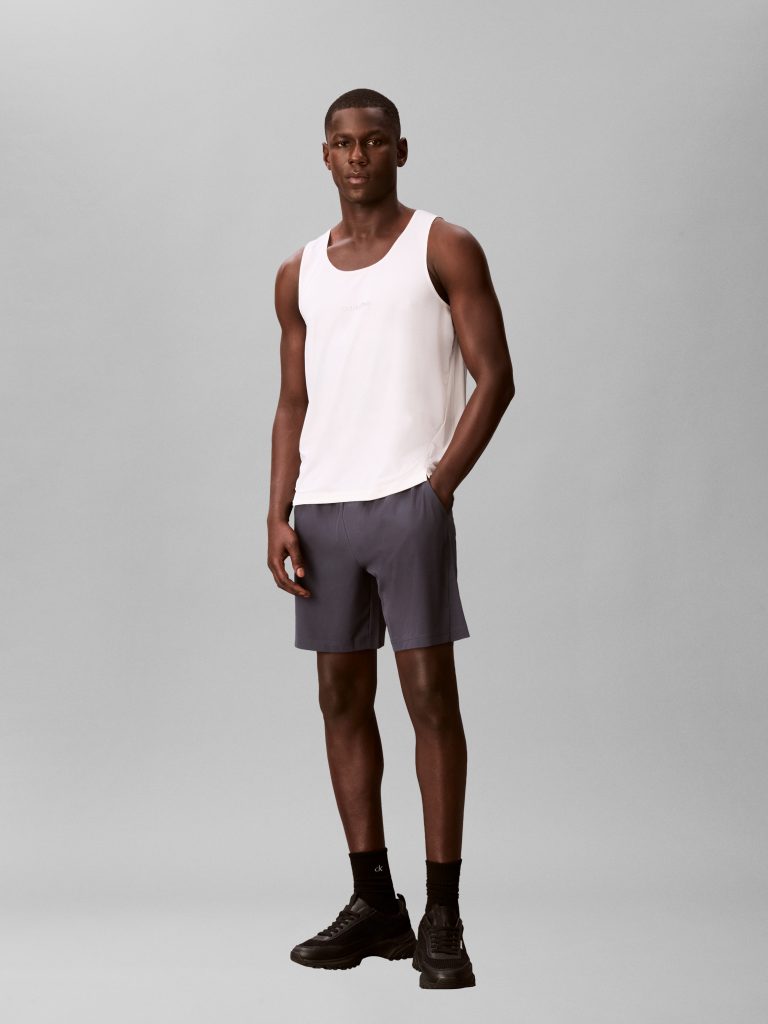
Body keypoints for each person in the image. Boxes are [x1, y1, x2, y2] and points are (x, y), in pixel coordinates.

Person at [267, 87, 515, 990]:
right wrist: (278, 510)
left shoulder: (442, 246)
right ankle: (376, 905)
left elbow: (496, 378)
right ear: (324, 154)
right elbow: (292, 401)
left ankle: (444, 917)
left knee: (429, 698)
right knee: (339, 699)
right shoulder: (299, 271)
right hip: (324, 509)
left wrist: (435, 488)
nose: (358, 156)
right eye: (342, 142)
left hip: (407, 502)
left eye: (374, 141)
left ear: (400, 150)